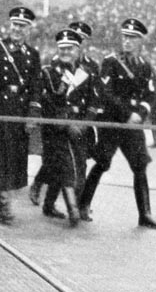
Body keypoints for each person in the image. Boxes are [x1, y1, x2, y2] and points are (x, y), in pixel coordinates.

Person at [79, 18, 156, 228]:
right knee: (103, 163)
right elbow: (106, 93)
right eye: (125, 37)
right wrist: (127, 114)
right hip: (113, 123)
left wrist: (140, 113)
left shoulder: (145, 66)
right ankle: (83, 205)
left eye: (132, 38)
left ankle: (145, 213)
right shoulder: (111, 62)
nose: (127, 42)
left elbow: (150, 94)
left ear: (141, 41)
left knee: (140, 166)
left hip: (132, 125)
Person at [0, 7, 41, 225]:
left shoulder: (33, 54)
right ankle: (3, 204)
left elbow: (35, 87)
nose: (17, 29)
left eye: (22, 26)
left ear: (29, 29)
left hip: (19, 111)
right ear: (9, 25)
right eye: (15, 25)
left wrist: (32, 112)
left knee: (11, 157)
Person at [38, 29, 101, 226]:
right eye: (62, 48)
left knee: (79, 167)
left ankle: (48, 204)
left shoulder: (87, 73)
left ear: (78, 49)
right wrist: (67, 123)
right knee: (67, 167)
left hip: (80, 128)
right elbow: (49, 102)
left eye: (70, 48)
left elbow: (93, 101)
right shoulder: (48, 71)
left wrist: (83, 123)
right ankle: (73, 210)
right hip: (58, 129)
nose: (65, 52)